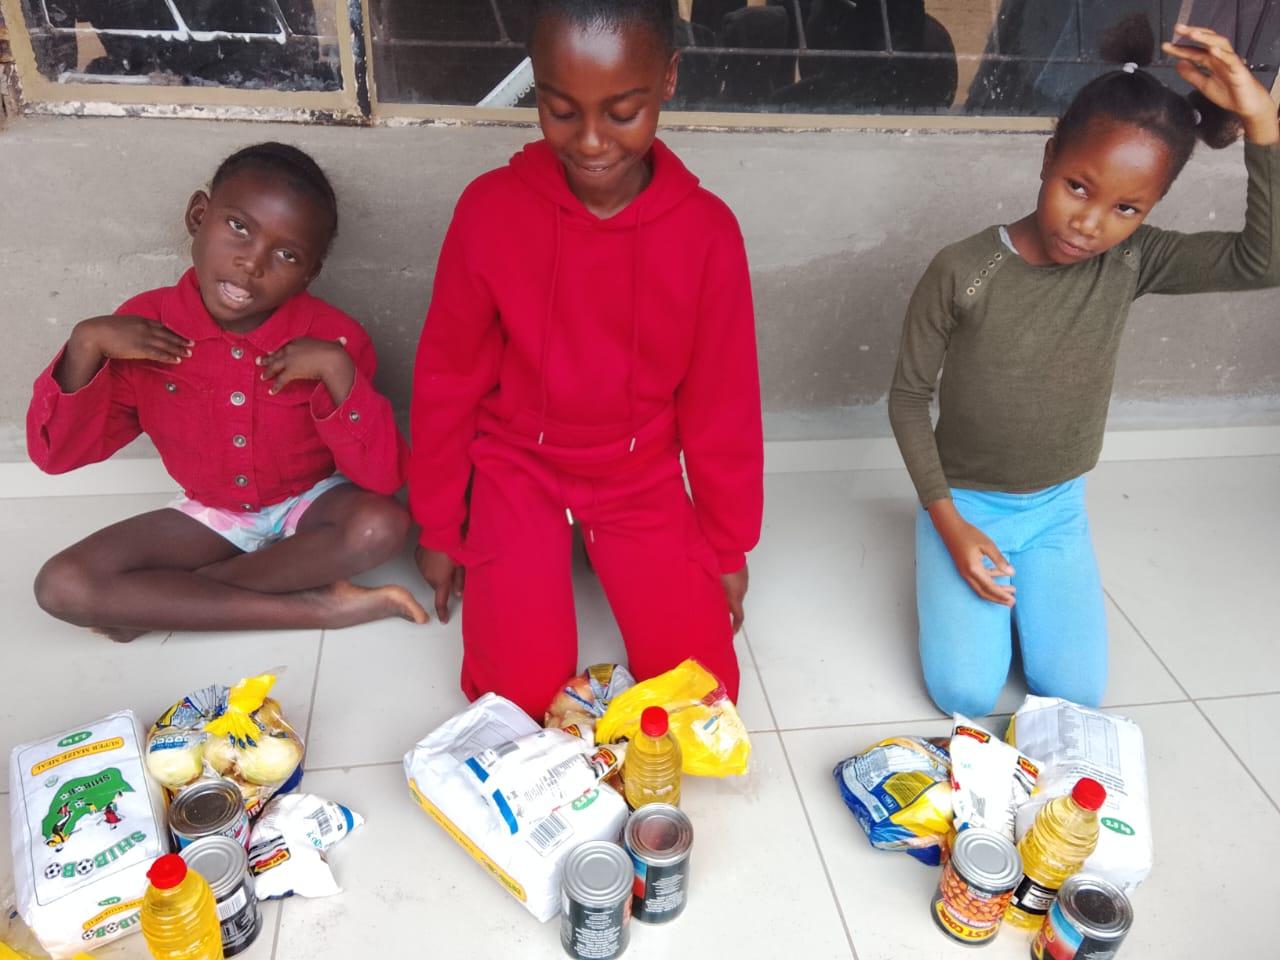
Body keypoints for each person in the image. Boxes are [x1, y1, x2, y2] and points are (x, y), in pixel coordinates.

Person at [888, 19, 1280, 716]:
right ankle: (950, 563)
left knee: (1072, 691)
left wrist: (1263, 124)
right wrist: (948, 522)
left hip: (1056, 509)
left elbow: (1263, 260)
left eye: (1126, 207)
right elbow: (909, 398)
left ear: (1150, 209)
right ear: (1049, 159)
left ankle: (1021, 596)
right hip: (965, 501)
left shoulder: (1133, 259)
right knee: (964, 691)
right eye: (1077, 187)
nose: (1090, 223)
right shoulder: (963, 269)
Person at [410, 0, 764, 717]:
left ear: (668, 79)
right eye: (561, 111)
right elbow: (448, 378)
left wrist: (726, 549)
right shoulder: (490, 211)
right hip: (517, 466)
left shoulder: (707, 233)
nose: (593, 141)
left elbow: (722, 406)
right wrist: (441, 526)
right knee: (516, 701)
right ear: (536, 87)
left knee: (699, 697)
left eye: (623, 112)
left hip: (639, 472)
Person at [29, 142, 425, 640]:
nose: (252, 263)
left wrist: (337, 371)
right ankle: (317, 609)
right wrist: (85, 346)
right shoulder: (144, 324)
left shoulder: (335, 338)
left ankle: (161, 606)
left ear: (310, 272)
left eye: (286, 254)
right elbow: (57, 455)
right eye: (238, 226)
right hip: (212, 512)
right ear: (198, 215)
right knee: (61, 585)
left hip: (311, 502)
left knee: (379, 526)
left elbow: (383, 477)